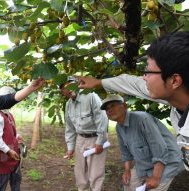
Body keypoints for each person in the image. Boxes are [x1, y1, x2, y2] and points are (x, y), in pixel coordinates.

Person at [78, 31, 189, 169]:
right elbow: (131, 83)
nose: (144, 77)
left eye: (148, 71)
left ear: (174, 81)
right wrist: (98, 82)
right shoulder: (176, 97)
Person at [100, 94, 183, 191]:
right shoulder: (119, 127)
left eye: (113, 105)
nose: (109, 110)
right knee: (128, 183)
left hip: (168, 160)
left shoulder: (142, 119)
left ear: (125, 106)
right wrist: (127, 170)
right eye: (107, 109)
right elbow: (125, 152)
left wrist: (156, 177)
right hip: (145, 162)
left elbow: (160, 150)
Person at [60, 77, 108, 191]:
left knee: (96, 173)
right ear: (62, 92)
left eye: (70, 85)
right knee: (80, 172)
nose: (68, 89)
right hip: (80, 138)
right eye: (64, 88)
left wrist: (100, 141)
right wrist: (70, 147)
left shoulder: (90, 96)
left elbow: (102, 118)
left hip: (95, 137)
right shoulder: (69, 104)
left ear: (77, 84)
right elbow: (70, 128)